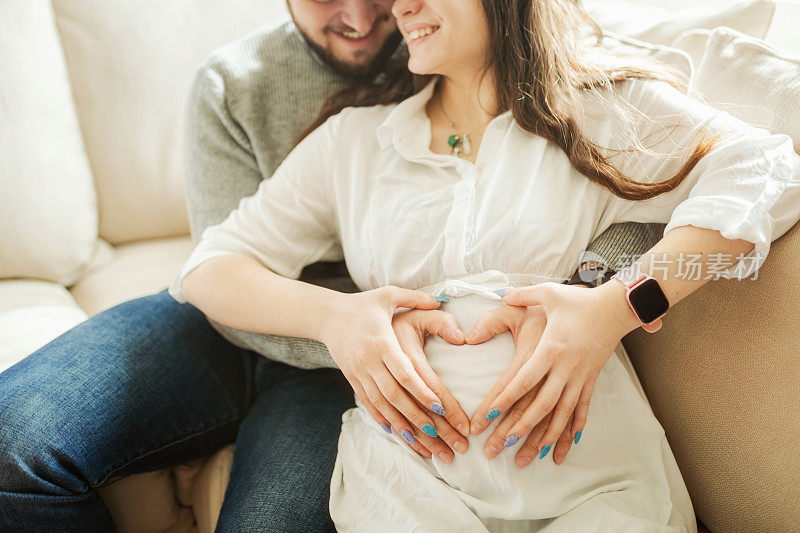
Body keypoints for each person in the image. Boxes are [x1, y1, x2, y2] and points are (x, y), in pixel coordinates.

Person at [0, 1, 663, 532]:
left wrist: (596, 286)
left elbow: (640, 184)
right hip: (269, 326)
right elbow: (219, 268)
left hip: (380, 358)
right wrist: (348, 329)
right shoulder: (232, 83)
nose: (358, 16)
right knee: (14, 441)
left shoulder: (455, 40)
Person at [169, 0, 800, 531]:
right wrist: (336, 318)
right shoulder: (354, 142)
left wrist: (620, 305)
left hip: (590, 478)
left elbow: (767, 170)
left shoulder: (598, 109)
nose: (399, 6)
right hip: (406, 485)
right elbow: (212, 267)